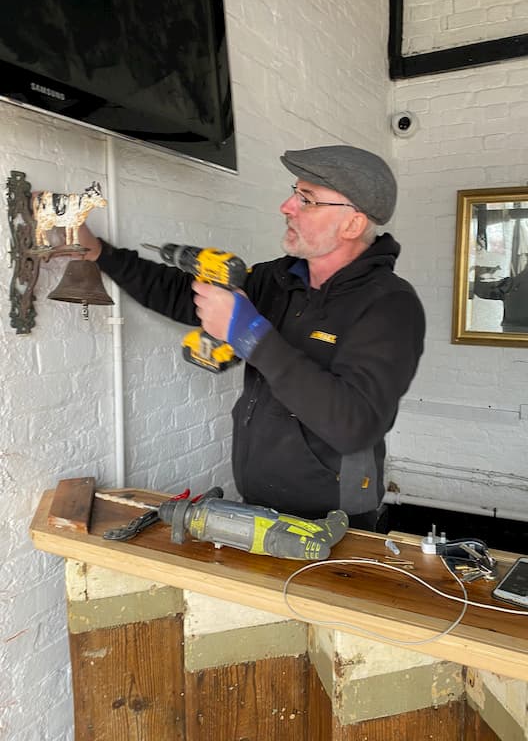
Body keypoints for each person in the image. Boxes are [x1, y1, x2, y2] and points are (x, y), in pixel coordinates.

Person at [77, 145, 425, 530]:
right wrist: (99, 253)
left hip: (337, 517)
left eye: (306, 199)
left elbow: (356, 423)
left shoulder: (390, 305)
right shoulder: (277, 279)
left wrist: (251, 335)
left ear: (352, 224)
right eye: (295, 191)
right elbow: (179, 293)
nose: (286, 206)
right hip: (259, 501)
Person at [473, 251, 528, 332]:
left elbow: (480, 290)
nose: (526, 265)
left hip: (512, 337)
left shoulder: (511, 285)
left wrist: (476, 275)